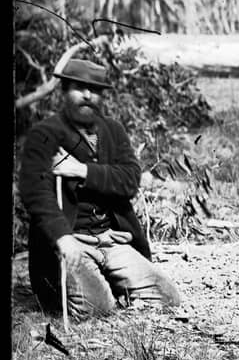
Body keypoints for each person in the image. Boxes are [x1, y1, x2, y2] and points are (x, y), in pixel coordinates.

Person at [18, 57, 183, 322]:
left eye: (94, 90)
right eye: (78, 88)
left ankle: (108, 279)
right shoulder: (45, 134)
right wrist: (62, 238)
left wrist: (81, 170)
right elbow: (35, 195)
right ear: (64, 91)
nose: (87, 95)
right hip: (71, 242)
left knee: (167, 296)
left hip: (111, 239)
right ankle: (94, 287)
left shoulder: (113, 131)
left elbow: (130, 180)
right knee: (97, 309)